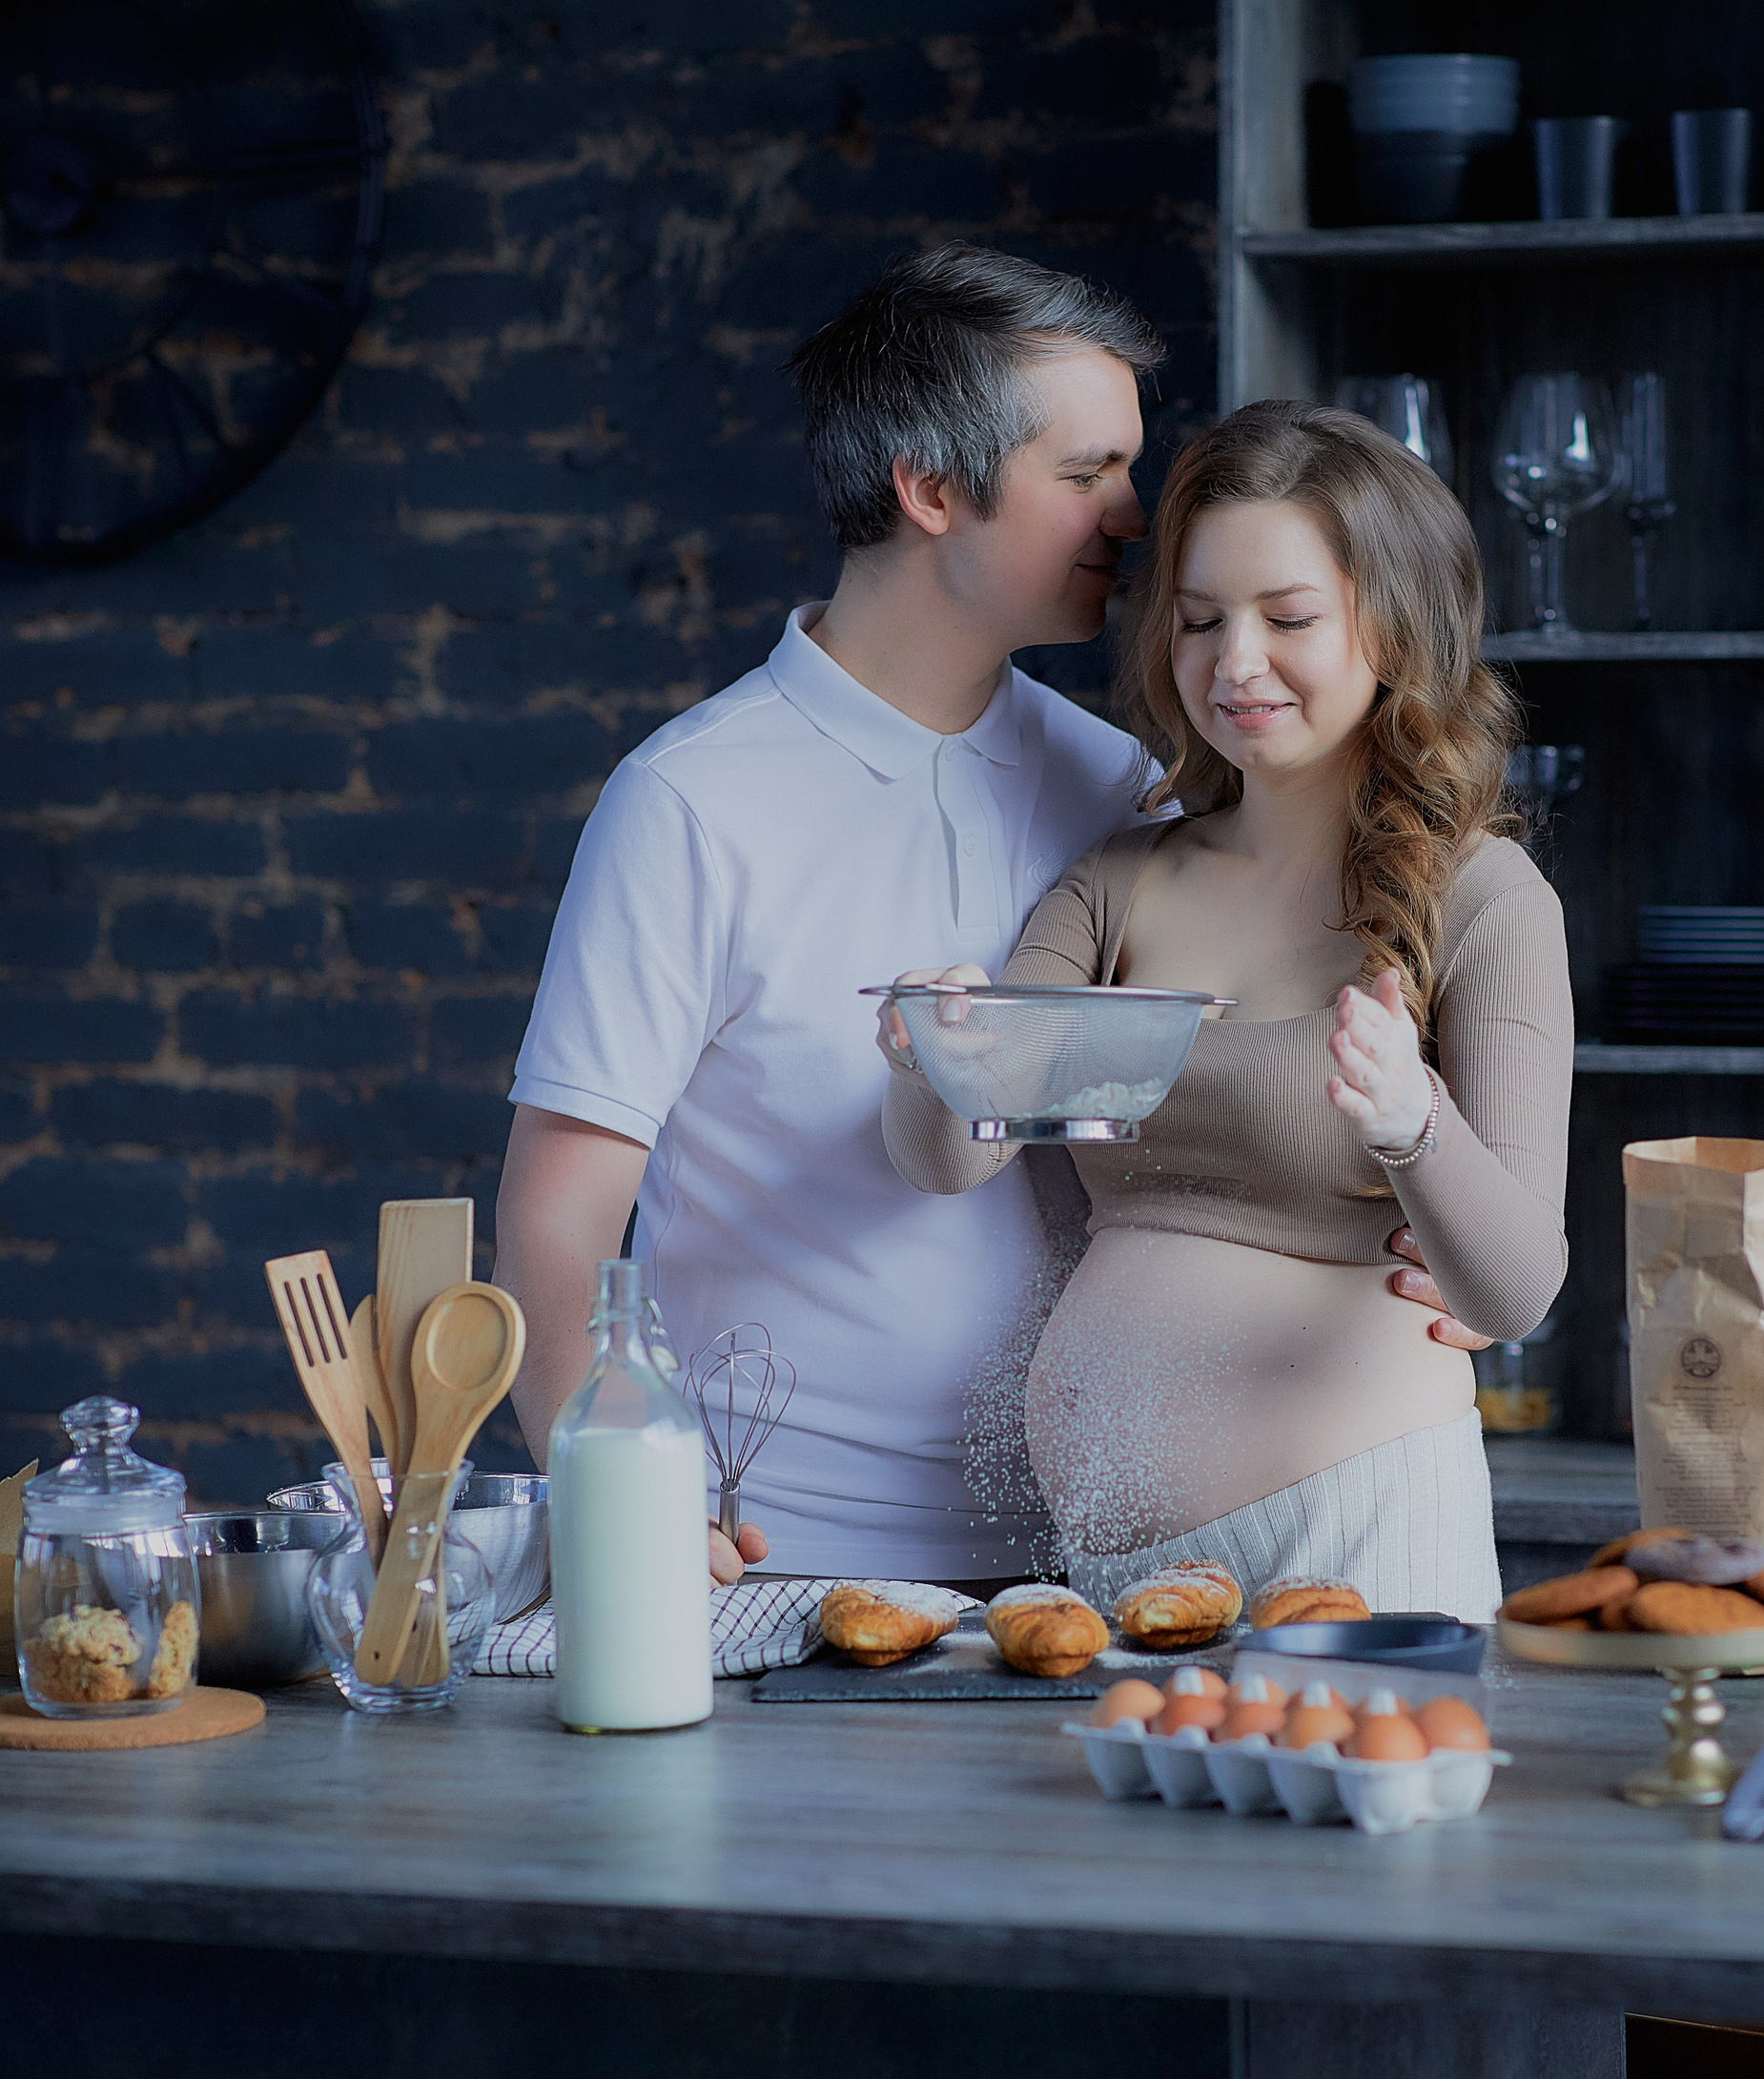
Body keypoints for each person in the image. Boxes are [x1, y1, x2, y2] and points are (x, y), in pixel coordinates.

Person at [496, 250, 1487, 1586]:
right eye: (1088, 475)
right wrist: (611, 1481)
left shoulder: (1126, 788)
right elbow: (559, 1218)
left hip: (1104, 1562)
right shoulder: (691, 802)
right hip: (792, 1559)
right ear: (931, 487)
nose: (1139, 519)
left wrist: (1438, 1249)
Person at [879, 401, 1571, 1620]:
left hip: (1358, 1525)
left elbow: (1512, 1291)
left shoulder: (1482, 895)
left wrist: (1413, 1125)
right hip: (1112, 1574)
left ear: (1395, 628)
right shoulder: (1117, 880)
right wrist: (936, 1055)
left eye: (1288, 618)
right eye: (1200, 621)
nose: (1234, 663)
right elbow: (948, 1162)